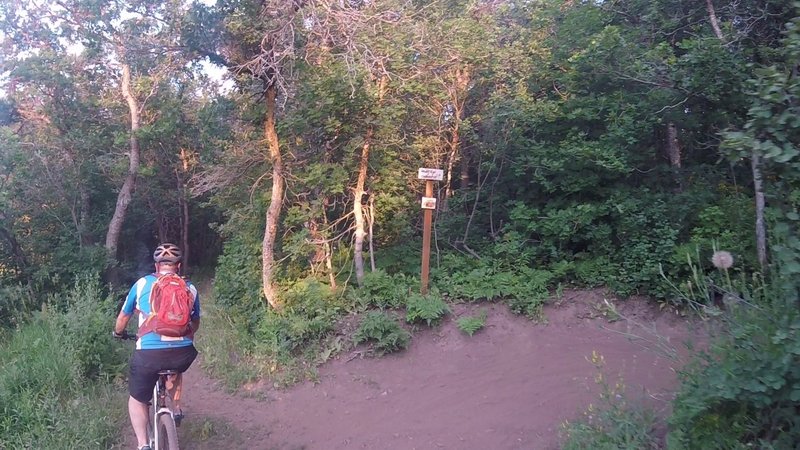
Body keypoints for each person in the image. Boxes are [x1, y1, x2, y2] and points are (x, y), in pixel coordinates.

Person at [113, 243, 200, 450]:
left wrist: (118, 333)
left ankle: (143, 445)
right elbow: (195, 323)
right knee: (175, 369)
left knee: (136, 399)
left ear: (156, 265)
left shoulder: (142, 284)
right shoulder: (190, 288)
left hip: (149, 353)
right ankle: (176, 408)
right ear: (178, 266)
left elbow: (124, 316)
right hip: (183, 352)